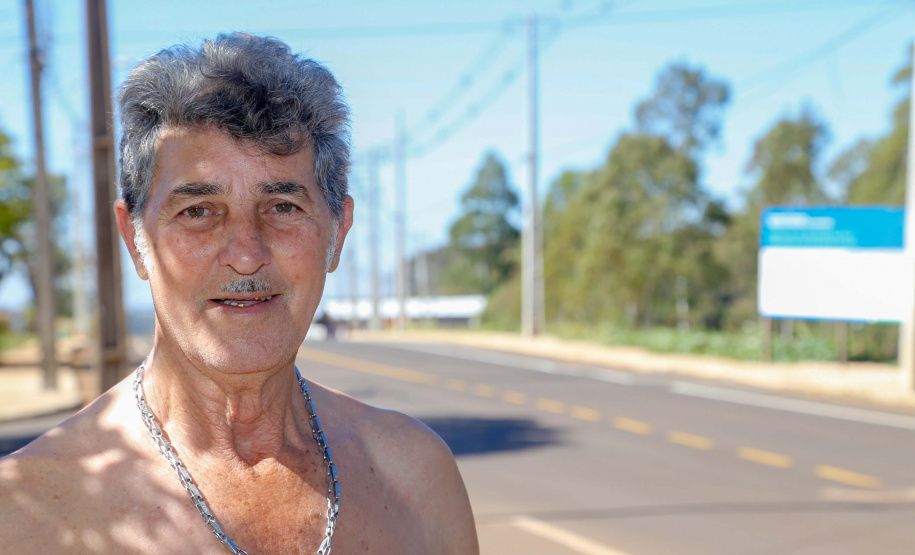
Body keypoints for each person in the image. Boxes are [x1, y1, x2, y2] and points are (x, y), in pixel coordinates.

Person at [0, 33, 478, 554]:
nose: (246, 254)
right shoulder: (24, 514)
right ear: (135, 240)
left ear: (337, 234)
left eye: (283, 207)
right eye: (198, 211)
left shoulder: (417, 478)